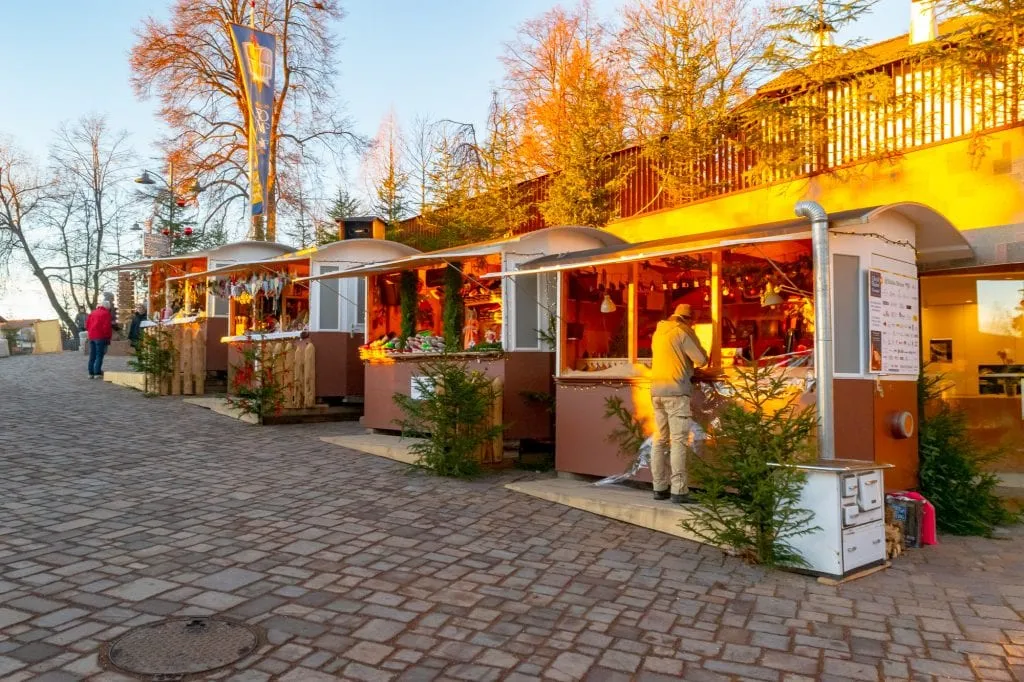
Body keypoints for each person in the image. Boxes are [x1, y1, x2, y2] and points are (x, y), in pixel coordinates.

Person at [649, 303, 708, 504]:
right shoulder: (683, 332)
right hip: (676, 393)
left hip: (657, 392)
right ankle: (679, 490)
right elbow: (701, 359)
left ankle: (659, 487)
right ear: (689, 319)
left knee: (659, 440)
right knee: (678, 441)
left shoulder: (659, 332)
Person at [86, 300, 114, 378]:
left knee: (92, 355)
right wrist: (108, 337)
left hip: (92, 336)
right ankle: (97, 372)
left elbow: (87, 325)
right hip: (101, 337)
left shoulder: (92, 312)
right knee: (99, 355)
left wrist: (90, 334)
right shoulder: (106, 314)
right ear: (107, 307)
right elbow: (106, 327)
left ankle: (90, 373)